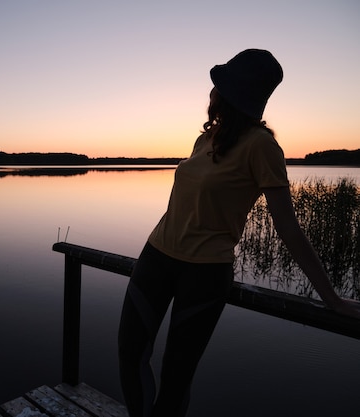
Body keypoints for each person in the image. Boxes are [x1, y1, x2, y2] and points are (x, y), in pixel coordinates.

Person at [117, 49, 360, 417]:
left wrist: (333, 299)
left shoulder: (262, 147)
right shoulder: (206, 140)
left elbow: (288, 228)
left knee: (176, 375)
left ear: (229, 94)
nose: (210, 93)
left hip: (204, 272)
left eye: (216, 86)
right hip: (157, 255)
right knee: (129, 352)